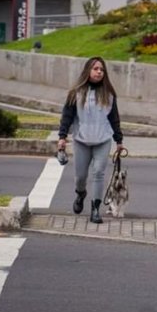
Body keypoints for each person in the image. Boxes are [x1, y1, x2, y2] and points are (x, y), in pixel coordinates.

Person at [58, 56, 125, 224]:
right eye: (96, 69)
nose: (99, 72)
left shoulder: (108, 94)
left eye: (102, 70)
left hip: (103, 139)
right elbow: (67, 116)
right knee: (80, 177)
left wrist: (119, 140)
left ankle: (95, 209)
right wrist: (62, 137)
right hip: (81, 140)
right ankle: (80, 194)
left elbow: (114, 118)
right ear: (88, 70)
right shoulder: (76, 92)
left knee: (98, 173)